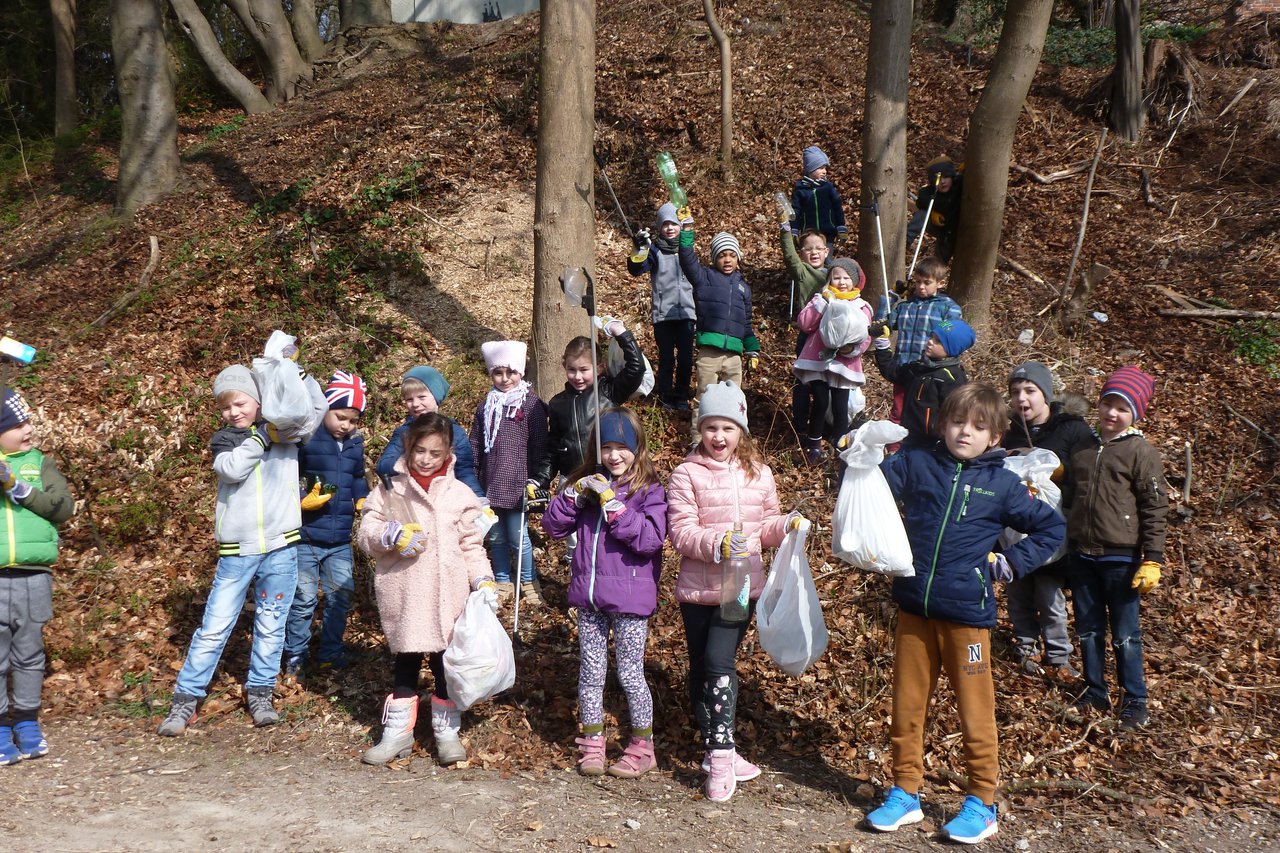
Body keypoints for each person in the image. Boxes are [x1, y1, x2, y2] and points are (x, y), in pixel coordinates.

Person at [866, 383, 1064, 844]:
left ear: (995, 437)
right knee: (907, 705)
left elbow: (1051, 528)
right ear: (942, 422)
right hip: (915, 605)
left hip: (968, 615)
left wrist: (1011, 563)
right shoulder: (919, 464)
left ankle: (982, 801)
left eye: (978, 427)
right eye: (957, 422)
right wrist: (857, 455)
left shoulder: (1003, 485)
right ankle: (905, 792)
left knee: (975, 710)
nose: (964, 432)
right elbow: (869, 486)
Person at [158, 362, 327, 737]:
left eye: (240, 403)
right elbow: (231, 470)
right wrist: (260, 438)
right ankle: (186, 699)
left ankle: (260, 693)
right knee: (215, 626)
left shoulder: (284, 432)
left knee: (271, 622)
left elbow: (315, 412)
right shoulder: (227, 439)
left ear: (258, 400)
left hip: (282, 547)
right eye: (226, 406)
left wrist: (298, 374)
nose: (233, 412)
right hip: (238, 551)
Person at [666, 381, 805, 802]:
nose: (719, 437)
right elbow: (680, 531)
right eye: (711, 427)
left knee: (718, 660)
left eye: (727, 428)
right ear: (700, 429)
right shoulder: (685, 473)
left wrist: (788, 526)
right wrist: (717, 543)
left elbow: (767, 524)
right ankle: (713, 746)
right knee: (699, 667)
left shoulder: (759, 473)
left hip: (739, 588)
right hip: (696, 588)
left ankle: (723, 754)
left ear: (740, 431)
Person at [356, 413, 497, 766]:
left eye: (435, 453)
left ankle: (447, 734)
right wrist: (389, 536)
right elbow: (366, 532)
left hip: (449, 596)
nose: (426, 459)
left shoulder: (460, 493)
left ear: (448, 453)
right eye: (420, 450)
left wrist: (483, 579)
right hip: (405, 593)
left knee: (444, 666)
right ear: (409, 446)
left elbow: (471, 544)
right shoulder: (391, 487)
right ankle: (397, 735)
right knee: (405, 662)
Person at [542, 408, 667, 778]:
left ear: (636, 447)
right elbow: (552, 527)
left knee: (630, 673)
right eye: (606, 447)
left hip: (630, 598)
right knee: (591, 672)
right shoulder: (586, 483)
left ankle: (643, 747)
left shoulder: (649, 489)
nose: (614, 456)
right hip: (589, 598)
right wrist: (573, 498)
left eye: (621, 448)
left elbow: (650, 539)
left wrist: (615, 506)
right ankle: (593, 743)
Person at [1063, 367, 1166, 732]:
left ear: (1135, 414)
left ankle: (1135, 699)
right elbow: (1070, 497)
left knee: (1125, 632)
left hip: (1121, 558)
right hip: (1082, 555)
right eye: (1108, 403)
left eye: (1122, 408)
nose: (1112, 413)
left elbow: (1154, 507)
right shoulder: (1084, 448)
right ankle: (1095, 690)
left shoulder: (1141, 452)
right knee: (1089, 629)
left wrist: (1152, 559)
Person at [1002, 361, 1094, 681]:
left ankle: (1058, 656)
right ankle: (1025, 648)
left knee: (1049, 593)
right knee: (1017, 591)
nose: (1022, 399)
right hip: (1014, 528)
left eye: (1030, 391)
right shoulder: (1008, 430)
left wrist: (1057, 471)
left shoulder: (1071, 428)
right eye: (1016, 392)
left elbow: (1090, 477)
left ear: (1046, 394)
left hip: (1056, 530)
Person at [0, 386, 74, 764]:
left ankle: (26, 721)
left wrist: (15, 486)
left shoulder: (39, 462)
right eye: (17, 424)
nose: (28, 429)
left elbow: (62, 508)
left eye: (28, 420)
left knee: (29, 654)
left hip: (34, 575)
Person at [283, 371, 370, 677]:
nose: (346, 425)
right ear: (326, 410)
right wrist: (303, 499)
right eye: (340, 416)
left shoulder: (354, 446)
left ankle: (331, 652)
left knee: (340, 595)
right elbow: (288, 478)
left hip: (340, 540)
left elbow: (358, 478)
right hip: (306, 537)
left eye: (353, 420)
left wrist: (362, 500)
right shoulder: (308, 440)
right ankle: (295, 654)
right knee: (304, 598)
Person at [469, 340, 551, 604]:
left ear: (520, 372)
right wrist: (473, 478)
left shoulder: (531, 405)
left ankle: (528, 580)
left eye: (510, 372)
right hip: (490, 482)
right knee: (496, 537)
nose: (504, 379)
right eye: (498, 373)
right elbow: (476, 444)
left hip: (518, 484)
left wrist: (535, 479)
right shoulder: (485, 406)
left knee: (519, 537)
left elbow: (539, 445)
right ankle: (502, 579)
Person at [791, 258, 873, 463]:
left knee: (840, 404)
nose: (841, 281)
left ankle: (840, 443)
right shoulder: (822, 298)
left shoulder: (861, 305)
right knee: (820, 400)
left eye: (846, 277)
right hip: (818, 360)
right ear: (829, 280)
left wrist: (852, 349)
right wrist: (823, 300)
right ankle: (813, 444)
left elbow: (866, 336)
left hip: (844, 363)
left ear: (854, 281)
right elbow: (805, 323)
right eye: (836, 277)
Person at [547, 320, 644, 488]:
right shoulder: (557, 403)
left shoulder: (608, 391)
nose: (577, 377)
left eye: (584, 370)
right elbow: (553, 447)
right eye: (571, 370)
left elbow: (636, 368)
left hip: (605, 476)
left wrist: (620, 333)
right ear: (564, 367)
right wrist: (540, 479)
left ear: (599, 368)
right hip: (571, 479)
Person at [678, 222, 761, 397]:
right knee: (704, 397)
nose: (728, 260)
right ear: (715, 258)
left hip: (734, 356)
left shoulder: (743, 288)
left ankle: (731, 426)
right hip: (709, 352)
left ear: (738, 258)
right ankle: (697, 426)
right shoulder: (704, 277)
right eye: (722, 255)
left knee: (732, 401)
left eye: (732, 255)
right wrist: (686, 232)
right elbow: (687, 259)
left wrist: (752, 349)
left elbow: (745, 323)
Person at [880, 256, 962, 428]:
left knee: (923, 413)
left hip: (928, 373)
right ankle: (895, 450)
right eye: (917, 282)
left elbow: (953, 342)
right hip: (903, 369)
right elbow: (881, 324)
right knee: (899, 412)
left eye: (927, 282)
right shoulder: (905, 307)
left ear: (940, 283)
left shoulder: (948, 308)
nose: (921, 287)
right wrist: (892, 297)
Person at [376, 366, 483, 498]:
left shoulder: (454, 432)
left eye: (421, 397)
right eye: (409, 399)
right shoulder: (404, 432)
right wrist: (413, 465)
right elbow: (383, 465)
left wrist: (479, 499)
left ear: (436, 397)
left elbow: (464, 471)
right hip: (411, 497)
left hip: (445, 498)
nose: (415, 404)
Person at [629, 203, 696, 411]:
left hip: (686, 312)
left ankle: (682, 395)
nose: (670, 228)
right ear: (659, 227)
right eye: (665, 224)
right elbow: (636, 268)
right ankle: (666, 395)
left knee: (685, 358)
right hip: (663, 314)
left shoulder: (687, 249)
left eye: (674, 224)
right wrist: (639, 248)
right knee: (667, 358)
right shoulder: (655, 250)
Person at [870, 317, 975, 448]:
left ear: (952, 349)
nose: (930, 342)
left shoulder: (952, 378)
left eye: (938, 341)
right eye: (932, 337)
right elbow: (892, 373)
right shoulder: (919, 367)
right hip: (908, 438)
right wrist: (883, 347)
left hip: (933, 446)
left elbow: (957, 414)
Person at [779, 224, 832, 457]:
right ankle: (800, 424)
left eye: (818, 248)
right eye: (808, 249)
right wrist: (785, 231)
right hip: (808, 335)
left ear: (827, 251)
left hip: (830, 337)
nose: (814, 253)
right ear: (802, 253)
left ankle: (825, 424)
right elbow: (789, 257)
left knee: (828, 382)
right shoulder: (802, 271)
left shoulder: (834, 274)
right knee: (803, 382)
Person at [789, 145, 848, 249]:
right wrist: (794, 229)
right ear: (811, 169)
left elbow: (837, 207)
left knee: (827, 260)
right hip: (808, 234)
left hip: (828, 232)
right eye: (820, 168)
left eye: (825, 168)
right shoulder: (800, 189)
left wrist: (841, 227)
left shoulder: (828, 187)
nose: (824, 171)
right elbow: (796, 211)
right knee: (811, 259)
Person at [906, 156, 963, 262]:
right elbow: (921, 200)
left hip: (957, 232)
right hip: (943, 232)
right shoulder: (929, 193)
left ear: (952, 176)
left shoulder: (959, 186)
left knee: (941, 261)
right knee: (923, 214)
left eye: (946, 177)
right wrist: (933, 212)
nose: (942, 182)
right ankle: (906, 239)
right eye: (938, 179)